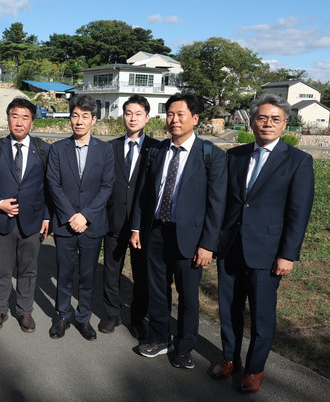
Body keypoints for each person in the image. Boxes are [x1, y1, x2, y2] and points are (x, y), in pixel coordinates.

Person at [211, 94, 314, 392]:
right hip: (231, 247)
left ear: (284, 124)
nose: (267, 124)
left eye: (275, 119)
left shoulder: (298, 161)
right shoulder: (235, 156)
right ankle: (230, 358)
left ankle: (255, 369)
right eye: (262, 118)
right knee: (229, 308)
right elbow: (225, 203)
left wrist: (288, 255)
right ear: (252, 121)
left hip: (268, 253)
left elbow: (298, 213)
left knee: (261, 314)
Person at [130, 92, 227, 369]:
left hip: (190, 238)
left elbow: (216, 205)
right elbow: (143, 194)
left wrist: (208, 244)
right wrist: (137, 228)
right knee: (157, 290)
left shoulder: (211, 155)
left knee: (188, 297)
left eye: (180, 114)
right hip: (156, 232)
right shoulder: (156, 151)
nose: (174, 119)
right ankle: (160, 338)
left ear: (194, 119)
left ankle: (185, 347)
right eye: (170, 114)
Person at [45, 94, 114, 341]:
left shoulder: (105, 150)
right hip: (65, 223)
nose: (79, 121)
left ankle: (83, 317)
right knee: (64, 273)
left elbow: (107, 186)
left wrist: (85, 216)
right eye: (75, 115)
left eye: (85, 116)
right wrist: (70, 216)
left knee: (87, 274)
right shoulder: (57, 149)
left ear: (94, 119)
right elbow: (53, 184)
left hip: (92, 224)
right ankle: (63, 315)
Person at [0, 98, 50, 333]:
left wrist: (47, 217)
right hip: (2, 220)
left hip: (32, 221)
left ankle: (25, 311)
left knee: (28, 269)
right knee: (1, 268)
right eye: (15, 116)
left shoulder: (43, 150)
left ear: (32, 122)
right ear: (8, 119)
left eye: (25, 118)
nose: (19, 122)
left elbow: (49, 187)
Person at [100, 95, 159, 336]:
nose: (132, 118)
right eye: (128, 113)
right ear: (122, 116)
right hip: (113, 220)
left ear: (147, 117)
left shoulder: (156, 149)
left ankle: (137, 318)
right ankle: (112, 314)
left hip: (142, 225)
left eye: (138, 114)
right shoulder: (109, 147)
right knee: (111, 271)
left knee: (141, 274)